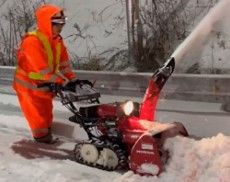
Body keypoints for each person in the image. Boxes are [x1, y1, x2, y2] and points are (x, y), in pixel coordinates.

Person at [13, 4, 78, 143]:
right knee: (37, 118)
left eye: (63, 23)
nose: (61, 27)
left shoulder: (57, 40)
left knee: (47, 114)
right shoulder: (32, 41)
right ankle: (42, 144)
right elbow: (41, 70)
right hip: (29, 87)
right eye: (58, 24)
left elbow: (64, 64)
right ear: (46, 22)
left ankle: (45, 136)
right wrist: (62, 82)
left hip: (44, 85)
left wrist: (72, 79)